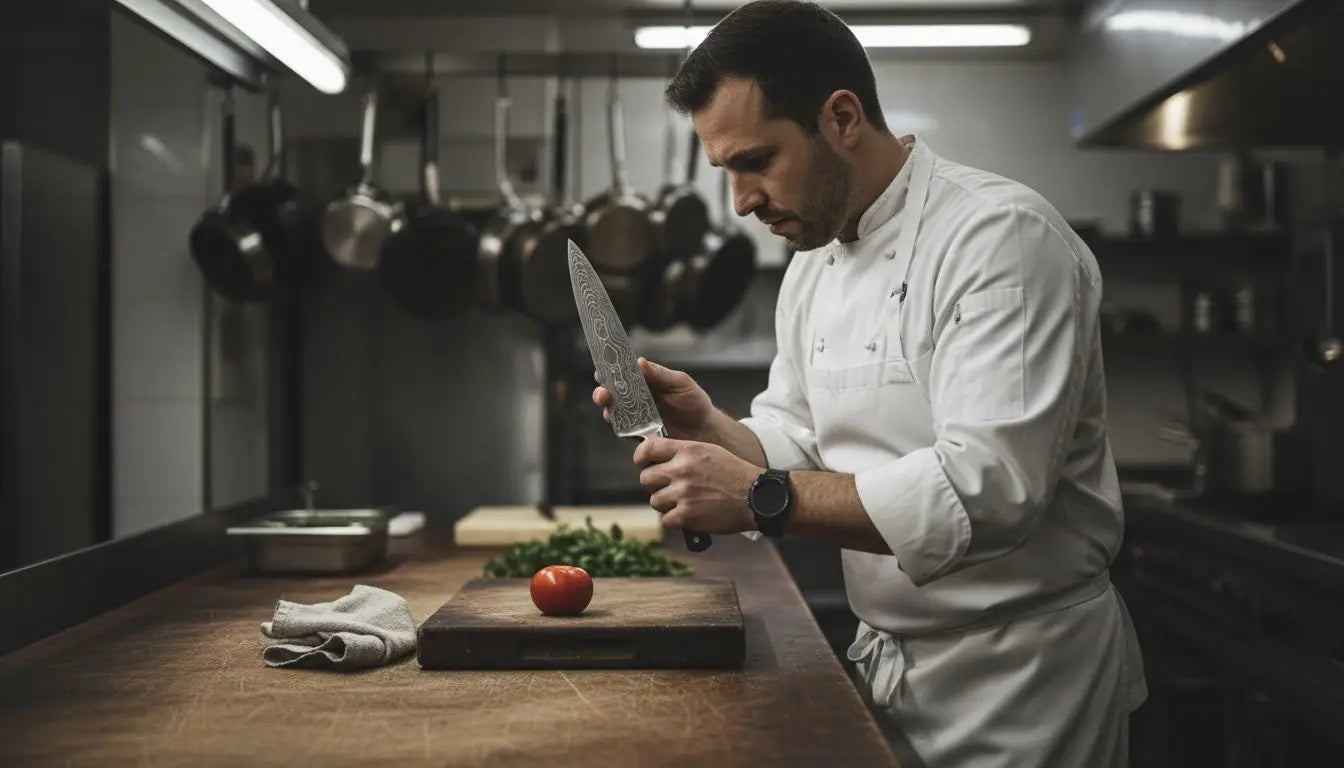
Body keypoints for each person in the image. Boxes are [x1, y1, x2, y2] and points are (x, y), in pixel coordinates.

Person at [591, 1, 1147, 765]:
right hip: (890, 670)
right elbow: (799, 441)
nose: (741, 202)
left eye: (756, 161)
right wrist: (709, 427)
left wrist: (758, 498)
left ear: (842, 117)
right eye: (727, 172)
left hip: (1024, 686)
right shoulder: (813, 264)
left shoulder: (999, 240)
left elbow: (988, 490)